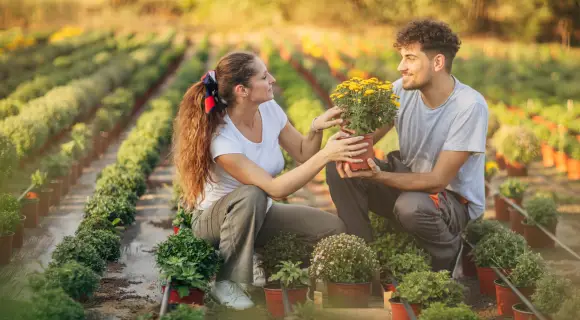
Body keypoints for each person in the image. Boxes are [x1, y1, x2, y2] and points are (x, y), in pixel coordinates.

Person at [172, 51, 368, 310]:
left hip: (258, 214)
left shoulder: (269, 109)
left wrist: (315, 129)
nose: (273, 79)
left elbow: (302, 152)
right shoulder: (223, 138)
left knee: (332, 228)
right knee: (253, 194)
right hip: (214, 222)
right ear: (242, 90)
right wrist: (326, 156)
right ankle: (227, 281)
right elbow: (275, 189)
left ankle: (268, 262)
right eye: (264, 77)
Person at [326, 19, 489, 274]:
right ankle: (363, 262)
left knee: (411, 207)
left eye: (410, 58)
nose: (401, 67)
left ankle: (448, 258)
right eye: (402, 57)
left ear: (437, 63)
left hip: (452, 200)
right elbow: (368, 136)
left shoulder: (469, 106)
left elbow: (437, 181)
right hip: (410, 180)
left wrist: (378, 175)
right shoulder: (402, 90)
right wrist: (348, 133)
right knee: (340, 167)